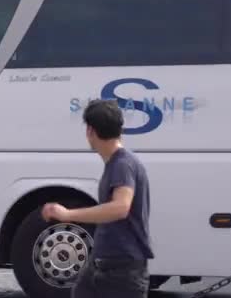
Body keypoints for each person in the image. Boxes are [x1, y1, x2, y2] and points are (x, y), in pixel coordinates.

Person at [42, 99, 154, 298]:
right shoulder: (119, 162)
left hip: (122, 270)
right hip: (104, 265)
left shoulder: (123, 164)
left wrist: (68, 214)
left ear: (90, 131)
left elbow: (120, 207)